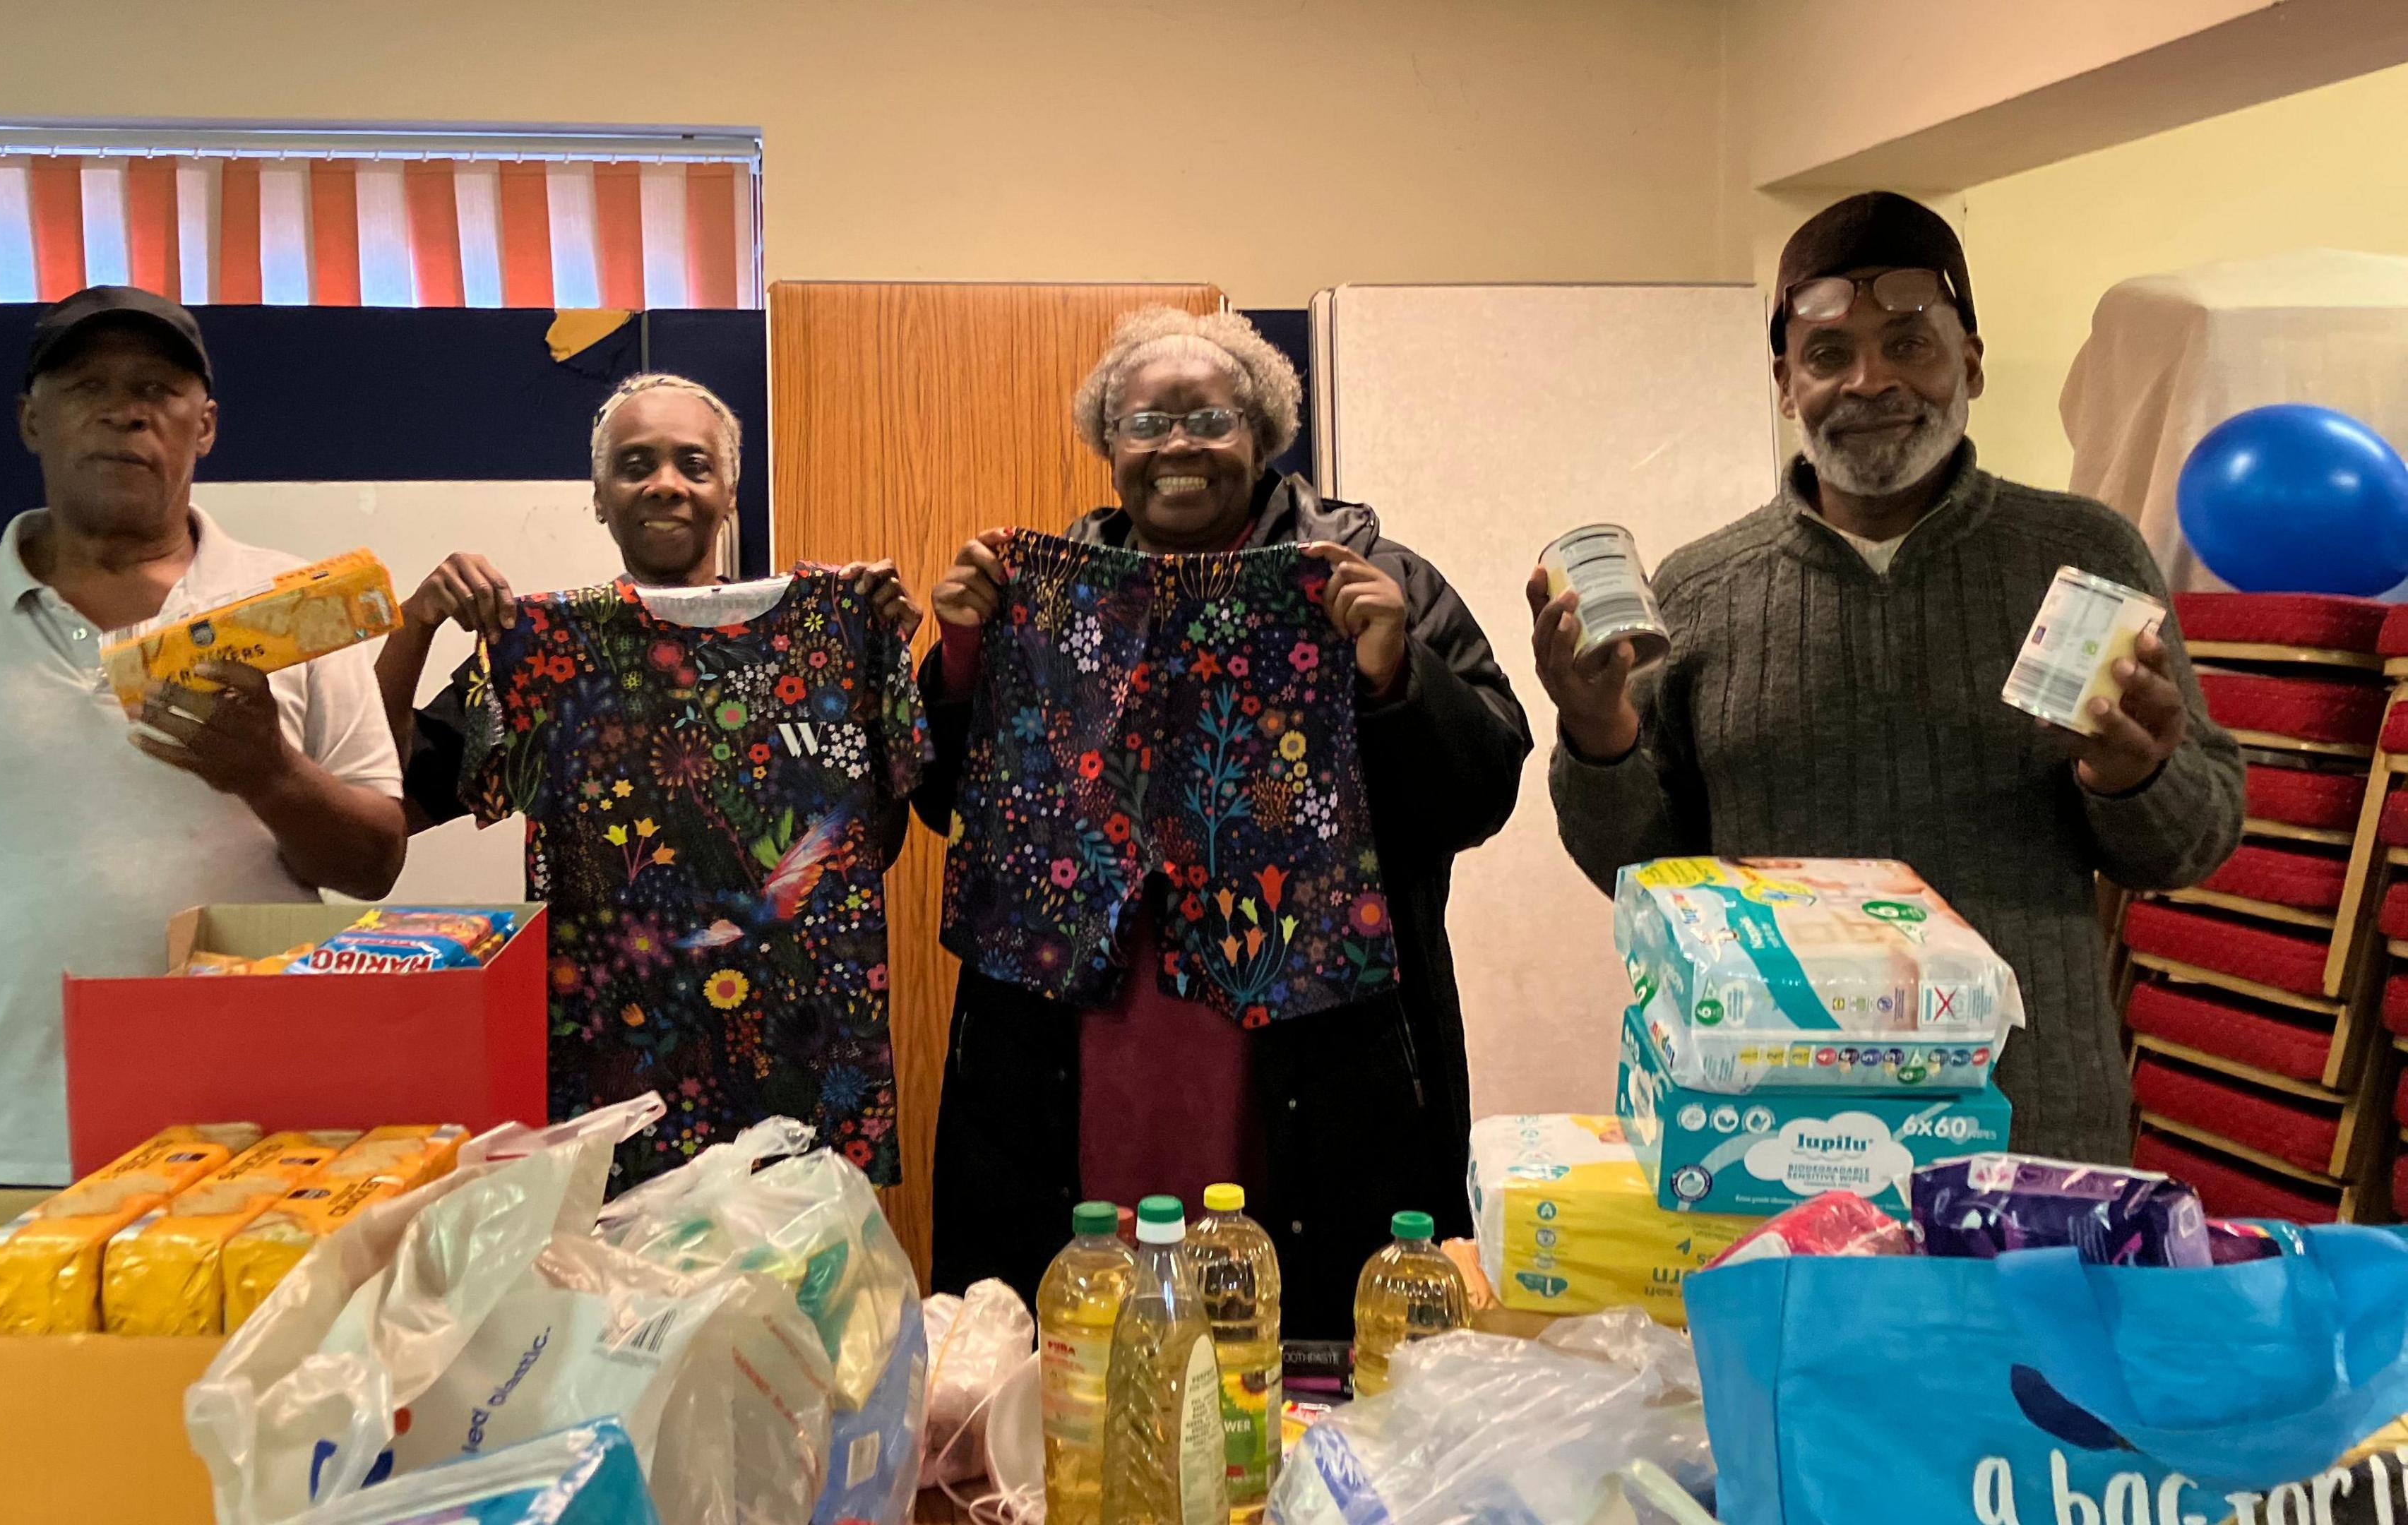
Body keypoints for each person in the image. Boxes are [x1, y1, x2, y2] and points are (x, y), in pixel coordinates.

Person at [1532, 191, 2245, 1164]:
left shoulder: (2080, 555)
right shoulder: (1698, 589)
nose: (1870, 382)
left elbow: (2194, 842)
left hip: (2029, 1127)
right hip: (1768, 1137)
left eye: (1909, 344)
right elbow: (1646, 880)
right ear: (1786, 385)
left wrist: (2135, 778)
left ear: (1972, 363)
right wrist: (1597, 737)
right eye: (1829, 355)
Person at [0, 287, 407, 1308]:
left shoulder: (293, 615)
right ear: (32, 420)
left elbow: (372, 864)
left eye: (157, 389)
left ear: (205, 427)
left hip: (257, 1165)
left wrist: (269, 774)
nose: (124, 411)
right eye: (87, 387)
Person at [919, 308, 1531, 1332]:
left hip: (1316, 1060)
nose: (1179, 445)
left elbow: (1481, 793)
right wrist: (963, 661)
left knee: (1305, 1350)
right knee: (1080, 1345)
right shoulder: (1043, 599)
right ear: (1108, 444)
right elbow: (955, 808)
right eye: (1146, 422)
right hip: (1082, 1047)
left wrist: (1396, 677)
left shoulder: (1377, 581)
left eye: (1211, 418)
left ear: (1264, 433)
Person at [374, 373, 924, 1183]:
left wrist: (879, 649)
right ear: (599, 497)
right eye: (636, 465)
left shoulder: (829, 633)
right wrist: (414, 627)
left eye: (693, 464)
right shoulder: (549, 656)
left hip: (798, 1073)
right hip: (620, 1086)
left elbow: (874, 839)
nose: (665, 483)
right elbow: (387, 792)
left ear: (730, 491)